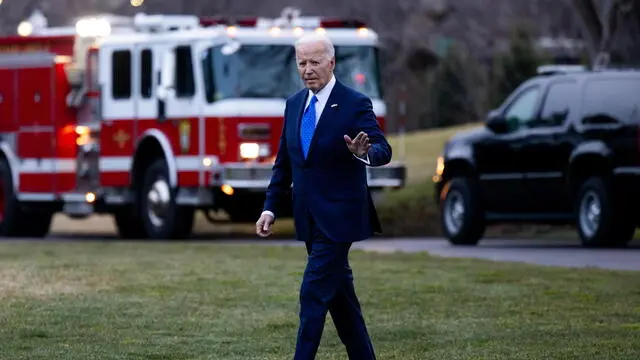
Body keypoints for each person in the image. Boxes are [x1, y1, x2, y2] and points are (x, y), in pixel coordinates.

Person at [255, 32, 392, 360]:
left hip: (340, 219)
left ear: (332, 63)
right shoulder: (293, 105)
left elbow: (383, 149)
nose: (307, 69)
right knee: (341, 301)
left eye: (315, 62)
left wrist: (364, 152)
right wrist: (270, 209)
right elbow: (284, 164)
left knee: (313, 295)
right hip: (308, 219)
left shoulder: (354, 103)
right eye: (301, 62)